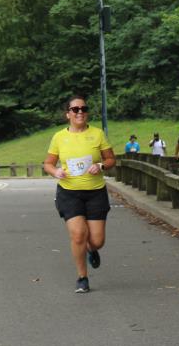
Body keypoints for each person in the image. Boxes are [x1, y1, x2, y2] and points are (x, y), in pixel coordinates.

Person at [44, 95, 115, 294]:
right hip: (69, 193)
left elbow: (111, 159)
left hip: (95, 193)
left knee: (97, 241)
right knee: (78, 235)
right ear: (68, 114)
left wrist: (100, 165)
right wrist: (56, 171)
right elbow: (48, 163)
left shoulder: (97, 134)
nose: (80, 112)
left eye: (83, 108)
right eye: (75, 109)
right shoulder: (59, 137)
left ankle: (91, 249)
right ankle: (82, 278)